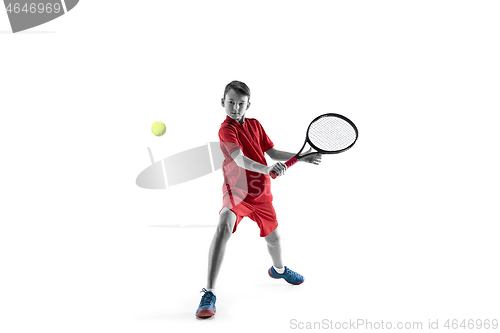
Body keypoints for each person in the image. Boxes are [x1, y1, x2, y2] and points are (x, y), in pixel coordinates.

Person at [196, 81, 322, 319]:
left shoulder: (255, 125)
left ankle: (278, 270)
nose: (235, 108)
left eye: (240, 104)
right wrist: (267, 169)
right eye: (231, 102)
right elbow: (240, 159)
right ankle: (209, 292)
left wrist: (302, 157)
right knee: (223, 227)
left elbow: (272, 153)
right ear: (222, 102)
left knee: (274, 239)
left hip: (261, 194)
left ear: (248, 105)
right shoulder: (226, 130)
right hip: (237, 191)